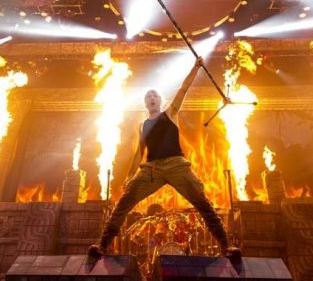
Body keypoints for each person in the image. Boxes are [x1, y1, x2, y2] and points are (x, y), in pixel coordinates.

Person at [89, 57, 241, 259]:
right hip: (151, 170)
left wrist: (195, 67)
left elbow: (183, 89)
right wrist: (129, 177)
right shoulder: (143, 125)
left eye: (155, 95)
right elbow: (139, 154)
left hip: (176, 165)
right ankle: (102, 245)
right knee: (124, 203)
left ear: (160, 101)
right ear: (145, 103)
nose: (152, 97)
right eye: (148, 96)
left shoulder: (170, 113)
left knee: (202, 203)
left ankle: (226, 246)